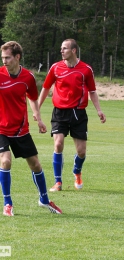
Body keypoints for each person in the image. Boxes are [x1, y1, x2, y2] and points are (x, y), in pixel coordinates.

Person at [0, 41, 62, 216]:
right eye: (2, 57)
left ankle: (44, 199)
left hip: (20, 128)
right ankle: (8, 203)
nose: (4, 61)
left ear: (17, 57)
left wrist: (38, 117)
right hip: (1, 128)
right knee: (5, 161)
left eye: (7, 57)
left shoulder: (28, 77)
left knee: (35, 164)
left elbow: (33, 98)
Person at [38, 39, 106, 192]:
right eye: (61, 48)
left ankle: (77, 171)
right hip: (60, 112)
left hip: (78, 113)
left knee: (81, 151)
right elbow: (46, 87)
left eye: (65, 48)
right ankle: (58, 182)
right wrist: (38, 109)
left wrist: (99, 110)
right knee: (58, 144)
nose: (61, 51)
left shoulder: (86, 69)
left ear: (74, 50)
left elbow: (93, 91)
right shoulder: (55, 68)